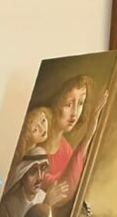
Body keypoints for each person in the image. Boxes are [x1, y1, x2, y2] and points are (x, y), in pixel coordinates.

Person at [42, 74, 108, 202]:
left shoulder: (67, 151)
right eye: (68, 104)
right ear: (55, 103)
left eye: (80, 103)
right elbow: (58, 187)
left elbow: (67, 191)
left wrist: (88, 136)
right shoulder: (35, 142)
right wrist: (87, 136)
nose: (75, 113)